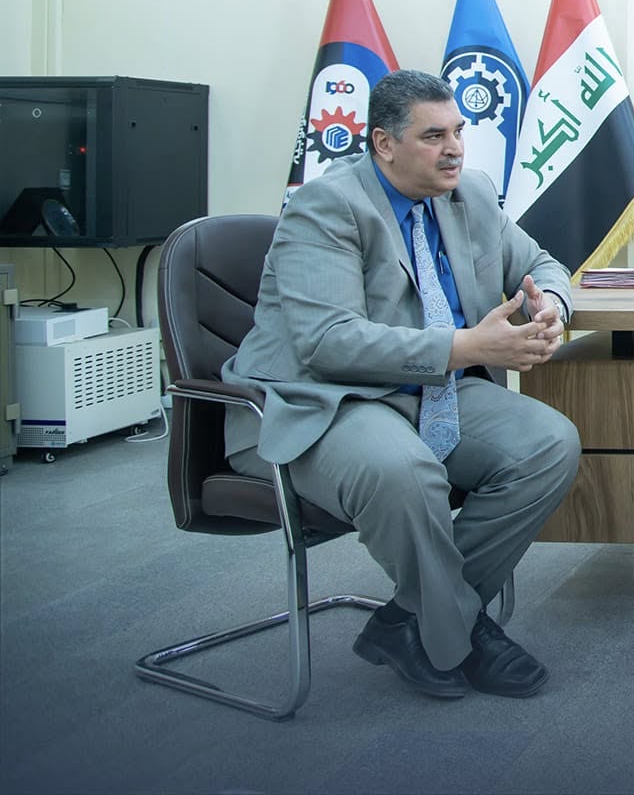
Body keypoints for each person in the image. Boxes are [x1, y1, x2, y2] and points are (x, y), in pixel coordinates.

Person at [224, 69, 581, 699]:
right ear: (384, 144)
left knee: (549, 444)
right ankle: (460, 631)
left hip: (431, 390)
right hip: (324, 399)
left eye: (458, 132)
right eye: (433, 136)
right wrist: (466, 346)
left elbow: (542, 264)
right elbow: (328, 342)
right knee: (404, 472)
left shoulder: (471, 194)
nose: (454, 149)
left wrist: (548, 304)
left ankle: (412, 620)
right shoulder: (326, 207)